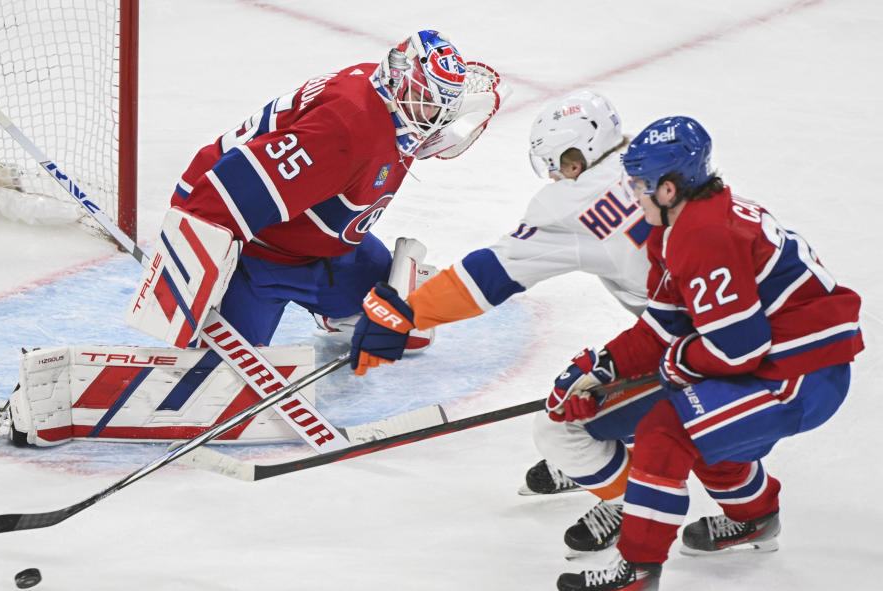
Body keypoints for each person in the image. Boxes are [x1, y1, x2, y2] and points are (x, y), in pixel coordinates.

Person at [541, 116, 864, 591]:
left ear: (668, 189)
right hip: (781, 358)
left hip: (803, 372)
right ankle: (756, 519)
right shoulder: (676, 227)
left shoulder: (703, 234)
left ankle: (638, 570)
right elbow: (665, 325)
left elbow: (739, 349)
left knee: (667, 431)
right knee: (713, 440)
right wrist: (604, 366)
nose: (632, 193)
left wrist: (678, 363)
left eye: (639, 184)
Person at [347, 90, 657, 523]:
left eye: (556, 164)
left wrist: (409, 313)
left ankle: (636, 507)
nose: (553, 178)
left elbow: (490, 275)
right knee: (621, 379)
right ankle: (604, 448)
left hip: (704, 341)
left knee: (564, 424)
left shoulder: (573, 204)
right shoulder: (653, 152)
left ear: (577, 155)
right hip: (744, 308)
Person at [165, 30, 498, 347]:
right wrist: (185, 265)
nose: (431, 120)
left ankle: (334, 309)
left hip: (315, 244)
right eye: (425, 101)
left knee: (410, 326)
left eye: (441, 110)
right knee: (226, 377)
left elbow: (406, 138)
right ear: (398, 78)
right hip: (249, 248)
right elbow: (235, 191)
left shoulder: (388, 96)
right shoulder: (345, 131)